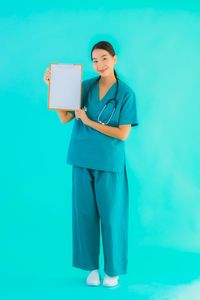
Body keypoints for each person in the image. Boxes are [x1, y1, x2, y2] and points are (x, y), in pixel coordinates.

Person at [44, 41, 138, 287]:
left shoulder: (125, 94)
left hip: (109, 163)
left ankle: (113, 270)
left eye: (104, 58)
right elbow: (65, 117)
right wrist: (51, 87)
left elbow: (122, 134)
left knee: (112, 217)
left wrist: (88, 120)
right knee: (84, 216)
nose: (99, 65)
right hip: (81, 159)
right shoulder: (84, 87)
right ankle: (91, 269)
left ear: (115, 59)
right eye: (95, 60)